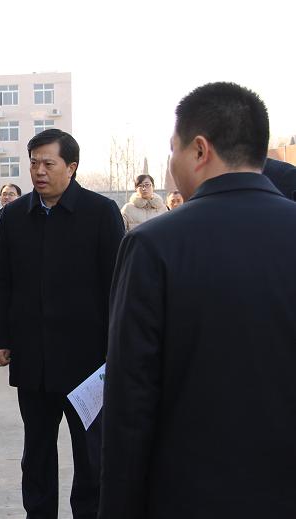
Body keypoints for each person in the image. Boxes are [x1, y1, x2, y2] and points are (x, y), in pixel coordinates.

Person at [99, 82, 296, 519]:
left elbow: (131, 398)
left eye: (174, 150)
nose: (171, 165)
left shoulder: (154, 244)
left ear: (200, 150)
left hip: (189, 492)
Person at [0, 129, 124, 519]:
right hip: (33, 357)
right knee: (37, 451)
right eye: (33, 163)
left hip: (88, 362)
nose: (39, 171)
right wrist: (0, 336)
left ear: (72, 167)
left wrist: (116, 348)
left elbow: (118, 284)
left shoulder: (100, 212)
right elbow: (3, 279)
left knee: (91, 455)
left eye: (48, 163)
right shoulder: (14, 215)